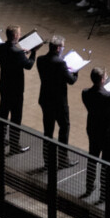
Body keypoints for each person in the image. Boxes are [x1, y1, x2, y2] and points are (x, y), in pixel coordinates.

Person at [36, 35, 77, 172]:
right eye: (62, 47)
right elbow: (71, 81)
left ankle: (47, 162)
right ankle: (63, 159)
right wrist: (75, 71)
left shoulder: (40, 60)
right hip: (59, 102)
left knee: (48, 131)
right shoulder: (60, 63)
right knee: (64, 128)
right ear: (58, 48)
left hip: (45, 99)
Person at [0, 25, 40, 152]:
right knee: (15, 118)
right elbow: (29, 65)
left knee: (2, 114)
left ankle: (1, 140)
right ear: (15, 36)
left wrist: (22, 53)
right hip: (15, 89)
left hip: (4, 85)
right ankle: (14, 145)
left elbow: (11, 55)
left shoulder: (0, 47)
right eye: (19, 34)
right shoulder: (18, 53)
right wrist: (33, 52)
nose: (20, 35)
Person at [79, 67, 110, 200]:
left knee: (92, 158)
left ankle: (89, 186)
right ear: (102, 80)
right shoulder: (109, 96)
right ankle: (104, 193)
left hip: (93, 129)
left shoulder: (85, 93)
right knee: (107, 163)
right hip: (107, 133)